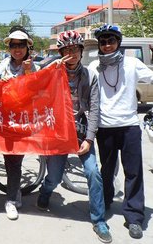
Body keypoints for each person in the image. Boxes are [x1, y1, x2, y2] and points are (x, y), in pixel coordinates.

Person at [37, 30, 112, 243]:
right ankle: (45, 192)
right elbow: (34, 79)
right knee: (54, 177)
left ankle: (99, 220)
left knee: (93, 173)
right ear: (61, 52)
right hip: (58, 134)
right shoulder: (53, 72)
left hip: (81, 131)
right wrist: (53, 64)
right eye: (66, 50)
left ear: (81, 51)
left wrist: (89, 139)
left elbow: (95, 109)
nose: (71, 54)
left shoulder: (90, 75)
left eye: (75, 49)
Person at [88, 24, 153, 240]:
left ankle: (134, 217)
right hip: (105, 128)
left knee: (133, 172)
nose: (107, 45)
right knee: (106, 170)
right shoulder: (94, 66)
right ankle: (105, 202)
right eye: (103, 41)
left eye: (111, 41)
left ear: (119, 42)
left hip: (129, 126)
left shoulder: (133, 63)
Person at [0, 25, 38, 220]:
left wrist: (28, 72)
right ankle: (14, 192)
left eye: (21, 45)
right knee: (9, 159)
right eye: (14, 45)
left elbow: (36, 89)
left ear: (27, 47)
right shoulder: (2, 65)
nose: (17, 49)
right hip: (6, 118)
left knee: (16, 159)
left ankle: (11, 199)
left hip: (23, 119)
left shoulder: (33, 66)